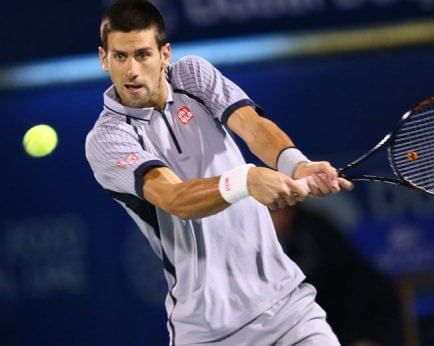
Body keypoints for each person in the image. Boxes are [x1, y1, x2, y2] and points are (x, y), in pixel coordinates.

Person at [85, 0, 353, 345]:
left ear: (164, 55)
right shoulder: (107, 139)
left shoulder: (193, 75)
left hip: (288, 309)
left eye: (143, 55)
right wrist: (245, 180)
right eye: (120, 57)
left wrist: (296, 164)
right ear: (104, 59)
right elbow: (174, 198)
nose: (132, 71)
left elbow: (252, 126)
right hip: (207, 333)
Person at [270, 206, 404, 346]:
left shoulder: (316, 233)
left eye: (274, 210)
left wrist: (365, 339)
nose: (268, 219)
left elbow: (367, 288)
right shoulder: (248, 247)